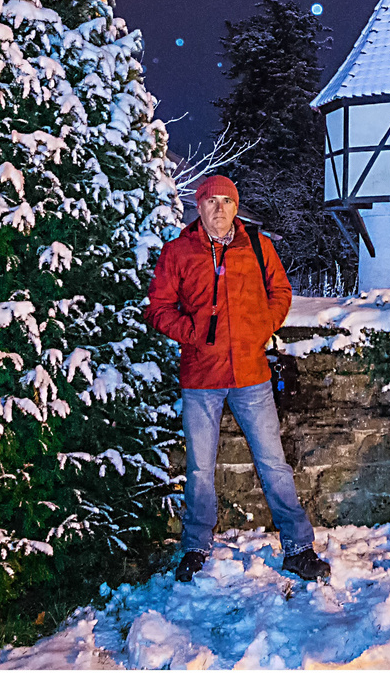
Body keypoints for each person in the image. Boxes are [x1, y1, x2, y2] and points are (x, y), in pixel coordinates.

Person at [144, 174, 332, 583]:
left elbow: (281, 292)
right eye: (211, 201)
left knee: (274, 462)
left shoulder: (258, 247)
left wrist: (260, 327)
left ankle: (299, 547)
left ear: (236, 206)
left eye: (227, 201)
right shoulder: (179, 252)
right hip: (201, 377)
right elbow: (158, 308)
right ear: (199, 206)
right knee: (198, 468)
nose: (219, 208)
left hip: (250, 373)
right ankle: (195, 546)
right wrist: (193, 332)